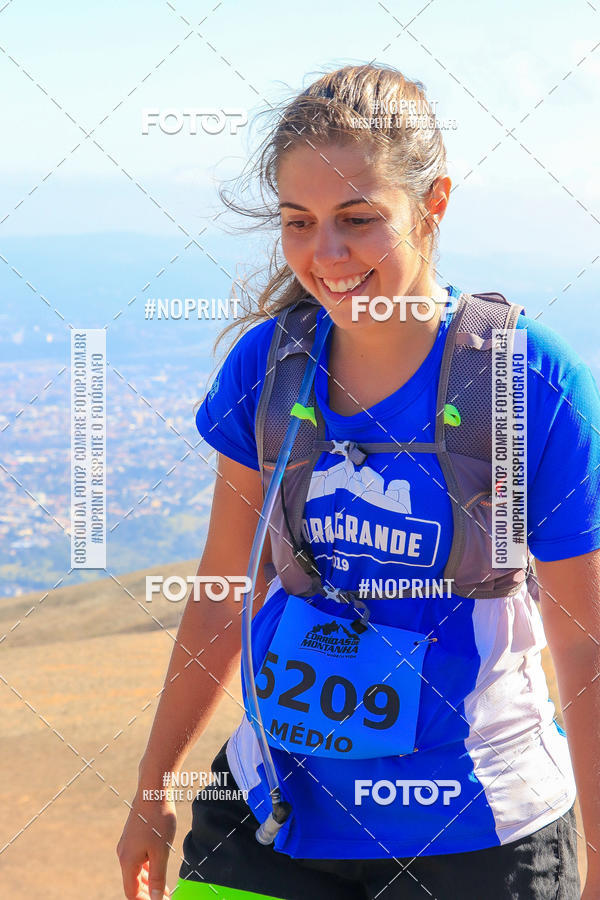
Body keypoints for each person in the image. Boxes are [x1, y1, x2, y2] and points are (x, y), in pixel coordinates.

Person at [117, 64, 600, 900]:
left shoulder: (529, 382)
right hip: (268, 822)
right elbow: (227, 587)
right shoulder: (268, 367)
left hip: (478, 837)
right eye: (299, 222)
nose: (325, 255)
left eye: (358, 219)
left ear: (434, 203)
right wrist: (152, 790)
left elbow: (583, 644)